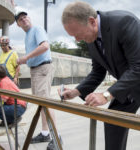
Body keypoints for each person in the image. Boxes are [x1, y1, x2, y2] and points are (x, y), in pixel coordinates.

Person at [60, 1, 140, 150]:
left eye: (78, 34)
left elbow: (138, 67)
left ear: (91, 21)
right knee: (113, 122)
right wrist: (75, 91)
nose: (77, 40)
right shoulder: (91, 36)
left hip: (135, 77)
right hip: (128, 86)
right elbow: (98, 71)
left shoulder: (124, 22)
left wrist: (107, 95)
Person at [15, 11, 58, 150]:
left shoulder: (37, 29)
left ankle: (55, 137)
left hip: (43, 68)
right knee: (41, 103)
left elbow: (45, 46)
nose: (24, 20)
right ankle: (45, 133)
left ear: (30, 17)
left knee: (45, 102)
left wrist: (25, 58)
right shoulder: (27, 35)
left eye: (25, 17)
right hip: (35, 70)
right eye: (20, 19)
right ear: (18, 24)